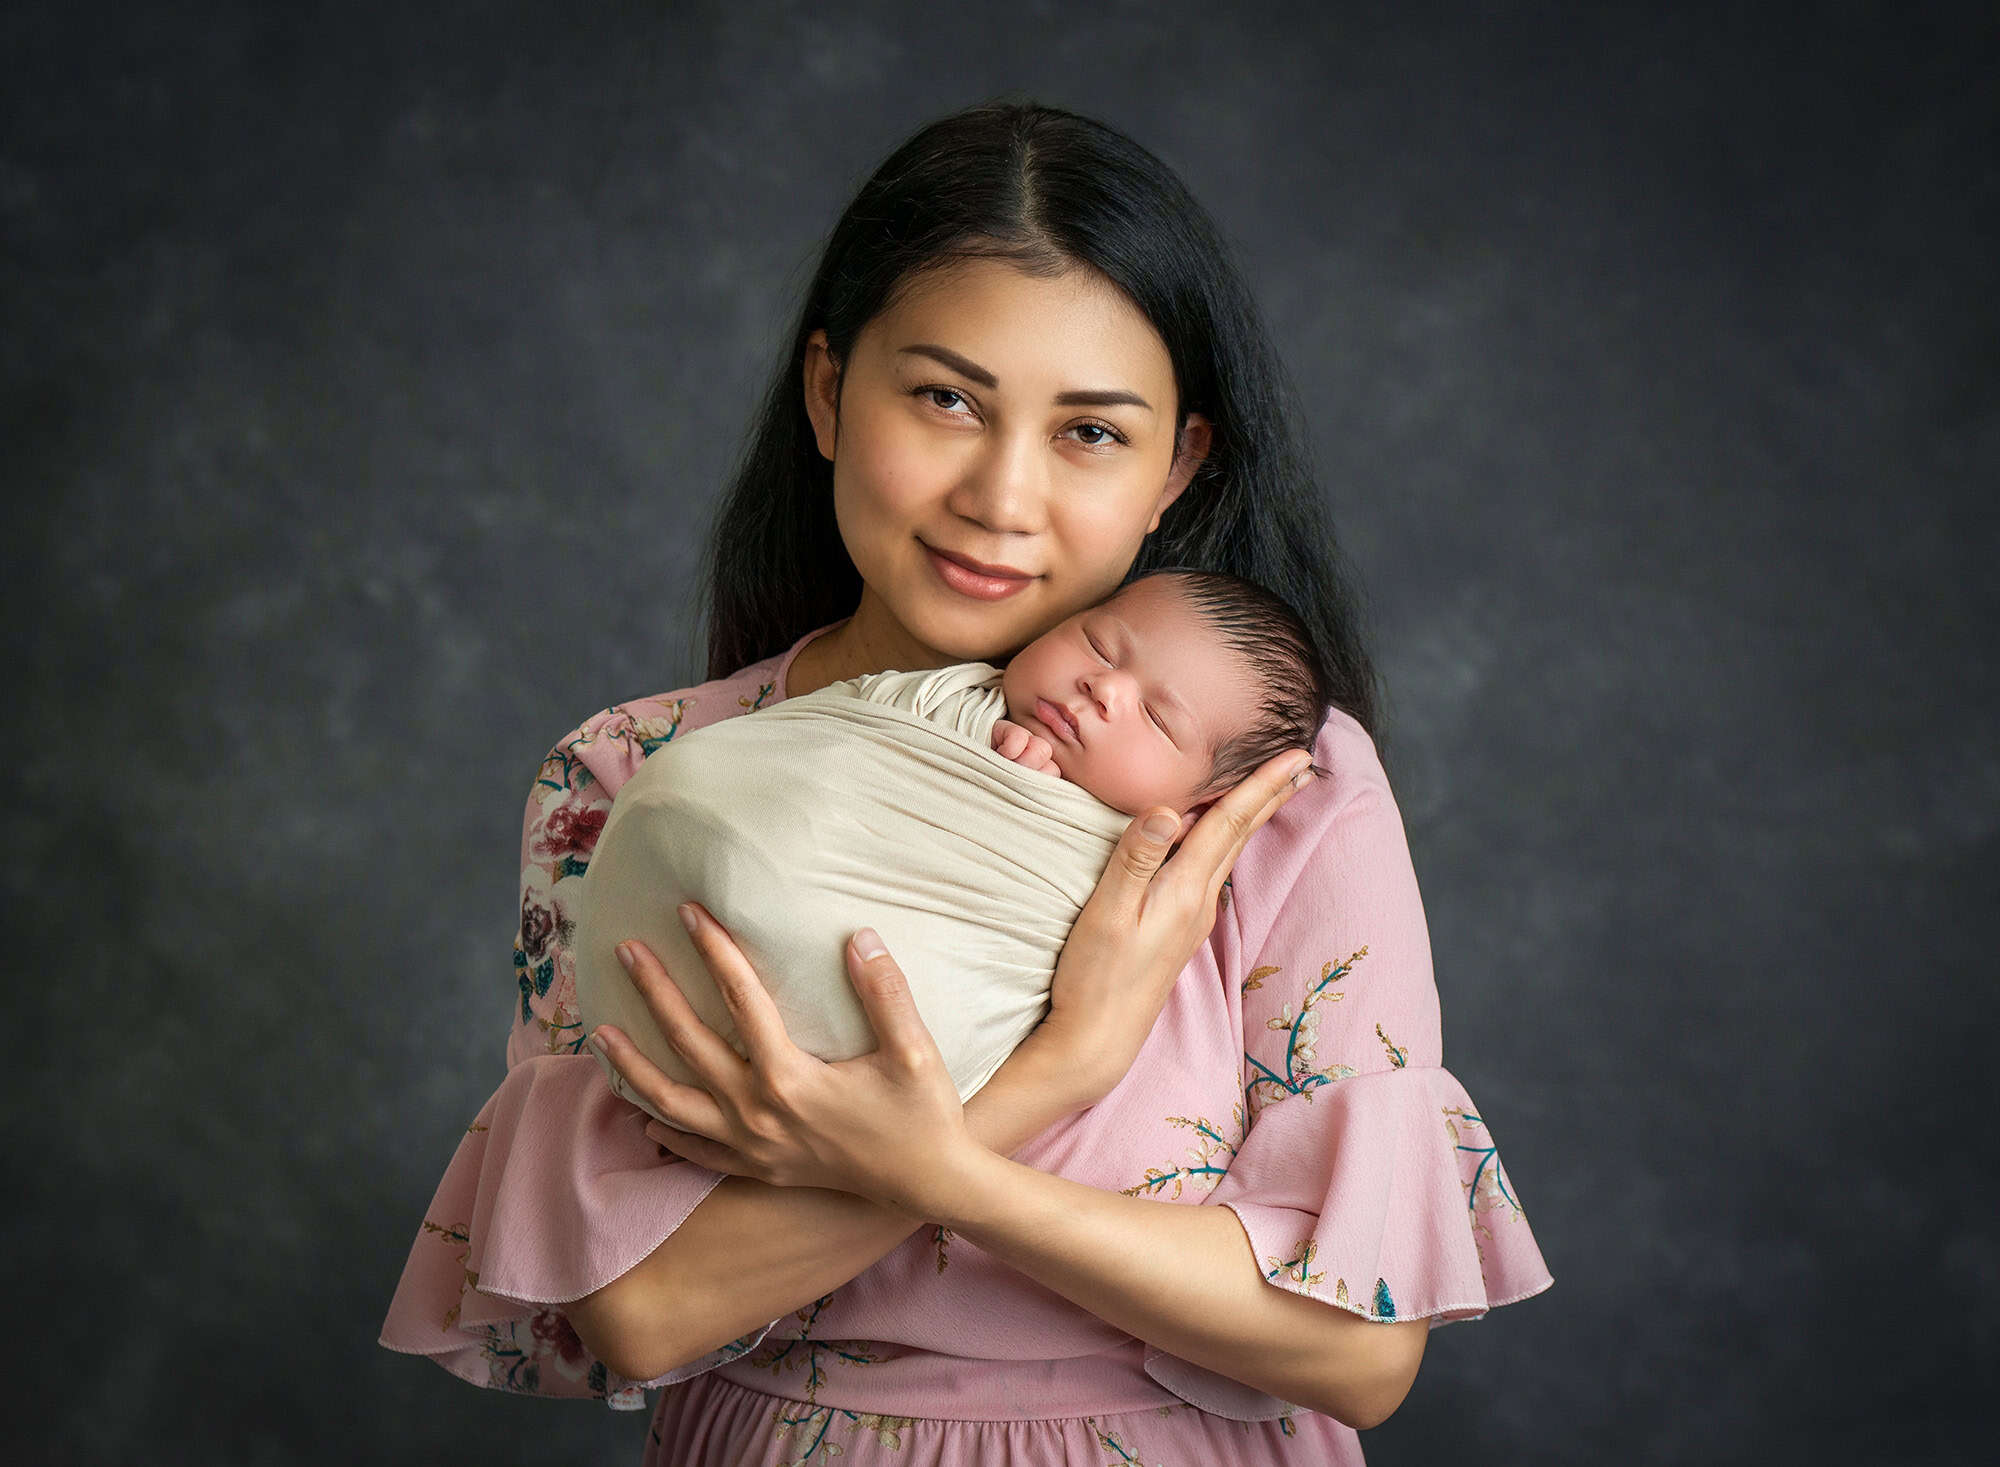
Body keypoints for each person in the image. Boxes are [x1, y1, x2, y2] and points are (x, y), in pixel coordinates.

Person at [379, 99, 1552, 1463]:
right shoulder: (630, 774)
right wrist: (1060, 1066)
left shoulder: (1275, 784)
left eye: (1091, 432)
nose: (1002, 493)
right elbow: (639, 1312)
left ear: (1178, 465)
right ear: (828, 392)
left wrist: (941, 1175)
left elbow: (1354, 1347)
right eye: (945, 398)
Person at [572, 568, 1335, 1120]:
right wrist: (976, 733)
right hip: (663, 903)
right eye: (1099, 645)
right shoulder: (948, 694)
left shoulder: (1149, 866)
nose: (1105, 689)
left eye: (1158, 718)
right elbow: (856, 726)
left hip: (865, 1037)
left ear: (1206, 805)